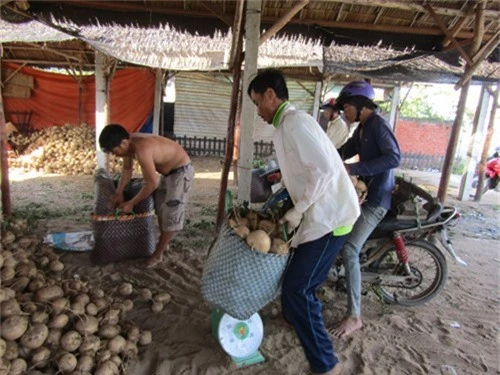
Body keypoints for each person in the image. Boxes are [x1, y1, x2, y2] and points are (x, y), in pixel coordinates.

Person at [248, 69, 360, 375]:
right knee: (296, 285)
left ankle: (326, 365)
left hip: (330, 218)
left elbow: (322, 169)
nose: (257, 111)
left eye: (258, 102)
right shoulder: (286, 125)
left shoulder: (296, 122)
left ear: (271, 94)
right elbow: (304, 167)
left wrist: (300, 208)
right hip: (317, 216)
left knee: (299, 289)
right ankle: (295, 317)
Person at [331, 81, 401, 339]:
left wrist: (355, 169)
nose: (344, 112)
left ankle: (354, 316)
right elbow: (343, 152)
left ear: (361, 105)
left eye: (347, 107)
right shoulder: (362, 129)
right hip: (363, 195)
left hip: (377, 200)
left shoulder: (379, 126)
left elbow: (394, 158)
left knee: (350, 248)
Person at [98, 124, 194, 268]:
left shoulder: (142, 148)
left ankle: (158, 255)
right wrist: (118, 193)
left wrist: (131, 203)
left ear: (124, 142)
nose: (115, 155)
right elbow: (127, 169)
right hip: (168, 173)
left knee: (171, 215)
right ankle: (163, 246)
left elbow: (151, 184)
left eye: (114, 151)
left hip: (181, 173)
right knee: (161, 210)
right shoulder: (129, 144)